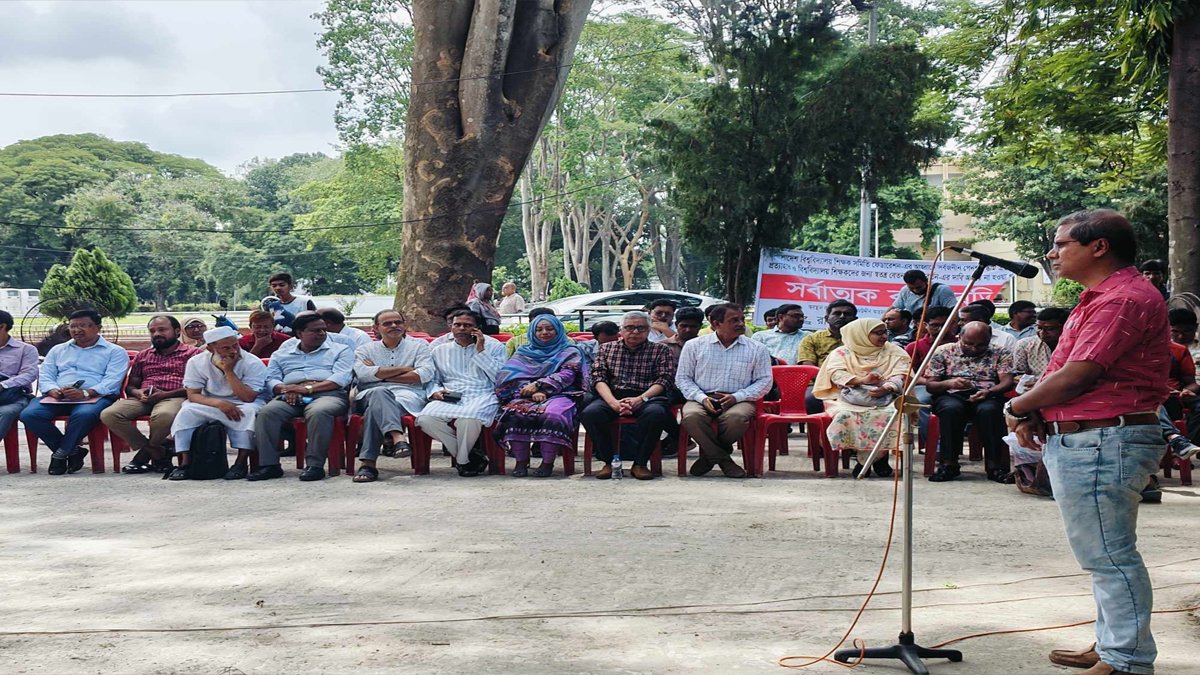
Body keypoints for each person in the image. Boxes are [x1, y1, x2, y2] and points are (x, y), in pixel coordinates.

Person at [1006, 209, 1168, 675]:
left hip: (1104, 437)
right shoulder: (1102, 297)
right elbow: (1062, 370)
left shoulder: (1123, 299)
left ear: (1099, 247)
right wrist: (1035, 408)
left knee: (1109, 554)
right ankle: (1114, 643)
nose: (1053, 254)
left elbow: (1079, 375)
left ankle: (1126, 659)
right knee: (1101, 550)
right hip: (1092, 437)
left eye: (1061, 245)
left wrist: (1016, 408)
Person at [21, 309, 130, 475]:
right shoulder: (58, 350)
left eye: (83, 326)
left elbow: (112, 381)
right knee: (29, 414)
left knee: (84, 415)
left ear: (98, 328)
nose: (77, 330)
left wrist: (86, 393)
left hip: (95, 397)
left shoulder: (114, 351)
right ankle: (73, 451)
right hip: (59, 397)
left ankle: (61, 454)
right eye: (73, 326)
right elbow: (46, 375)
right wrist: (52, 390)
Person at [250, 312, 354, 481]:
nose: (321, 334)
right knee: (267, 413)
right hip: (290, 395)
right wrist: (285, 389)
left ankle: (315, 465)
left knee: (319, 412)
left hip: (328, 394)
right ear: (299, 333)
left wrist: (306, 389)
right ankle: (269, 465)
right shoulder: (282, 353)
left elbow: (340, 379)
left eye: (323, 330)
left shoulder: (340, 350)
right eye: (315, 331)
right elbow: (270, 379)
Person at [677, 303, 772, 478]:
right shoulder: (694, 345)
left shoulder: (757, 348)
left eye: (742, 319)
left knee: (736, 418)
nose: (741, 324)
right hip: (701, 396)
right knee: (691, 417)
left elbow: (765, 381)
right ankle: (724, 460)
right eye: (734, 320)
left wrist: (737, 397)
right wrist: (701, 398)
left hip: (740, 399)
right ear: (715, 324)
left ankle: (709, 457)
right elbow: (683, 378)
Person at [581, 311, 677, 480]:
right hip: (613, 395)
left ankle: (640, 463)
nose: (635, 332)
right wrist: (612, 403)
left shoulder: (661, 350)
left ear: (648, 330)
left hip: (648, 397)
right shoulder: (606, 348)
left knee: (656, 414)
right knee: (591, 414)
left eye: (641, 328)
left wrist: (640, 399)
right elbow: (598, 377)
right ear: (621, 330)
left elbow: (665, 379)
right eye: (630, 328)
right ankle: (609, 462)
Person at [101, 316, 203, 474]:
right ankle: (157, 453)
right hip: (144, 397)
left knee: (163, 415)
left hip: (175, 395)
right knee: (109, 414)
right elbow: (131, 386)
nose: (156, 334)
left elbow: (197, 386)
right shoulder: (143, 355)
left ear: (177, 331)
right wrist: (138, 392)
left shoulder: (193, 354)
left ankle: (143, 456)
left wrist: (164, 394)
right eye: (152, 331)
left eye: (162, 330)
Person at [813, 318, 911, 478]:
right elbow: (836, 374)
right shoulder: (842, 353)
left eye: (885, 332)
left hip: (887, 396)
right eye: (878, 333)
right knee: (844, 416)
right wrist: (862, 381)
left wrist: (887, 387)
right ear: (861, 335)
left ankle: (871, 460)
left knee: (893, 415)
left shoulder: (895, 351)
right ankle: (869, 459)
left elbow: (902, 373)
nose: (884, 336)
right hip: (848, 398)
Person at [169, 326, 267, 481]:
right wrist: (219, 403)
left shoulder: (252, 362)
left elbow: (248, 397)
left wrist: (229, 371)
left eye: (235, 345)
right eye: (226, 348)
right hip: (210, 401)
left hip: (243, 402)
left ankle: (241, 463)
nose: (233, 351)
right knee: (186, 412)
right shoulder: (196, 362)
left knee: (248, 413)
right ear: (210, 348)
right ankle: (185, 464)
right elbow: (193, 394)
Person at [494, 314, 585, 477]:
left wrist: (541, 387)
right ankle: (521, 460)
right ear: (532, 332)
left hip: (562, 393)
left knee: (553, 415)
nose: (544, 332)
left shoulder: (570, 351)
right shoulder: (523, 352)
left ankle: (547, 462)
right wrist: (529, 390)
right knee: (515, 412)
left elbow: (568, 374)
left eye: (550, 329)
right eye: (539, 329)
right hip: (524, 394)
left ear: (558, 330)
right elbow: (507, 375)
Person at [417, 310, 506, 476]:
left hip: (483, 393)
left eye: (467, 325)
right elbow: (433, 380)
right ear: (451, 326)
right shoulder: (439, 350)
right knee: (425, 419)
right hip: (452, 394)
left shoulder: (494, 346)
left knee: (469, 419)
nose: (461, 328)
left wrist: (481, 351)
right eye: (457, 325)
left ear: (477, 328)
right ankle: (468, 456)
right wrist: (435, 392)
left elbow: (499, 379)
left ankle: (463, 462)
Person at [924, 321, 1014, 483]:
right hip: (951, 394)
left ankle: (995, 466)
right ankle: (949, 464)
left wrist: (989, 391)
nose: (974, 349)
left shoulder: (1001, 352)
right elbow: (931, 385)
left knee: (990, 411)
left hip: (988, 394)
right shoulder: (943, 351)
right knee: (951, 410)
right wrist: (949, 383)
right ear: (960, 337)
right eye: (969, 344)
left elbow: (1006, 382)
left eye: (981, 345)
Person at [351, 310, 435, 483]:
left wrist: (380, 373)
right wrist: (406, 369)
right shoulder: (365, 349)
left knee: (376, 407)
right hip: (368, 394)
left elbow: (424, 374)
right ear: (376, 328)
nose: (394, 326)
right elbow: (362, 374)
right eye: (387, 324)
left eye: (398, 322)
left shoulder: (419, 346)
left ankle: (368, 465)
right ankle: (398, 437)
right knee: (379, 393)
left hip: (407, 396)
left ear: (405, 325)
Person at [798, 300, 857, 414]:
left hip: (856, 382)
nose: (842, 316)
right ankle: (818, 432)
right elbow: (808, 367)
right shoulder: (811, 339)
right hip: (820, 383)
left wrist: (853, 381)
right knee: (811, 400)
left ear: (855, 319)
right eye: (837, 313)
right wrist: (836, 382)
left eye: (847, 314)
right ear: (826, 318)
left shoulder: (861, 339)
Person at [0, 310, 40, 449]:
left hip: (14, 397)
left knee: (5, 412)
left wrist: (3, 385)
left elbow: (29, 374)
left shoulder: (26, 349)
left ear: (2, 326)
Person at [1011, 307, 1069, 394]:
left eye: (1049, 329)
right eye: (1039, 327)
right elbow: (1018, 373)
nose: (1042, 332)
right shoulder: (1025, 344)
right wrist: (1021, 379)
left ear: (1064, 328)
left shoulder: (1075, 347)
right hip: (1033, 393)